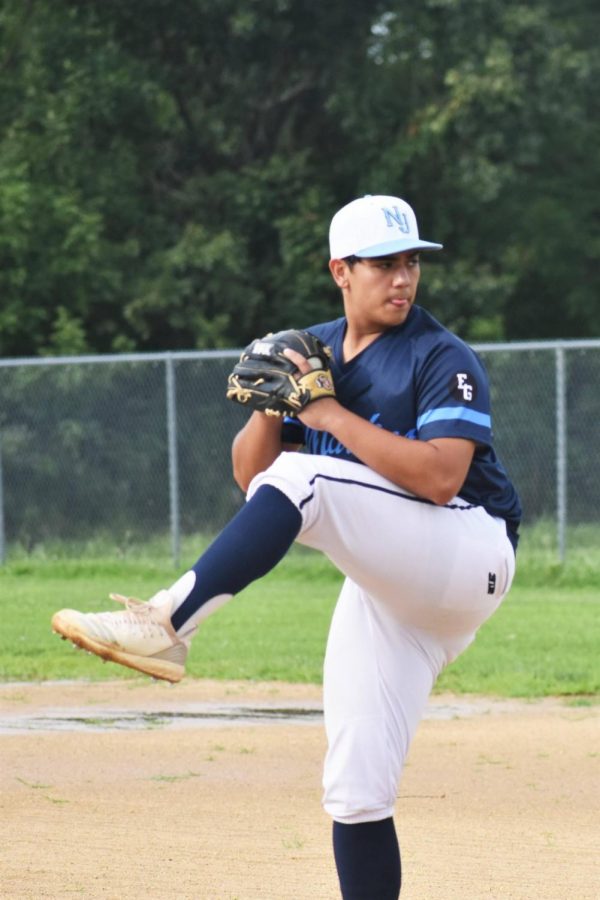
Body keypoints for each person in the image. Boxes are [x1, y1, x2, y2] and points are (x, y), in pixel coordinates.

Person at [52, 194, 521, 899]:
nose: (402, 277)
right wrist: (278, 405)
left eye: (411, 263)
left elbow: (440, 475)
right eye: (383, 263)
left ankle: (167, 622)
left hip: (469, 551)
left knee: (309, 480)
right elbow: (252, 476)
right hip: (390, 585)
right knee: (355, 787)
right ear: (341, 270)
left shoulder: (441, 355)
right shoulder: (318, 349)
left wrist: (324, 411)